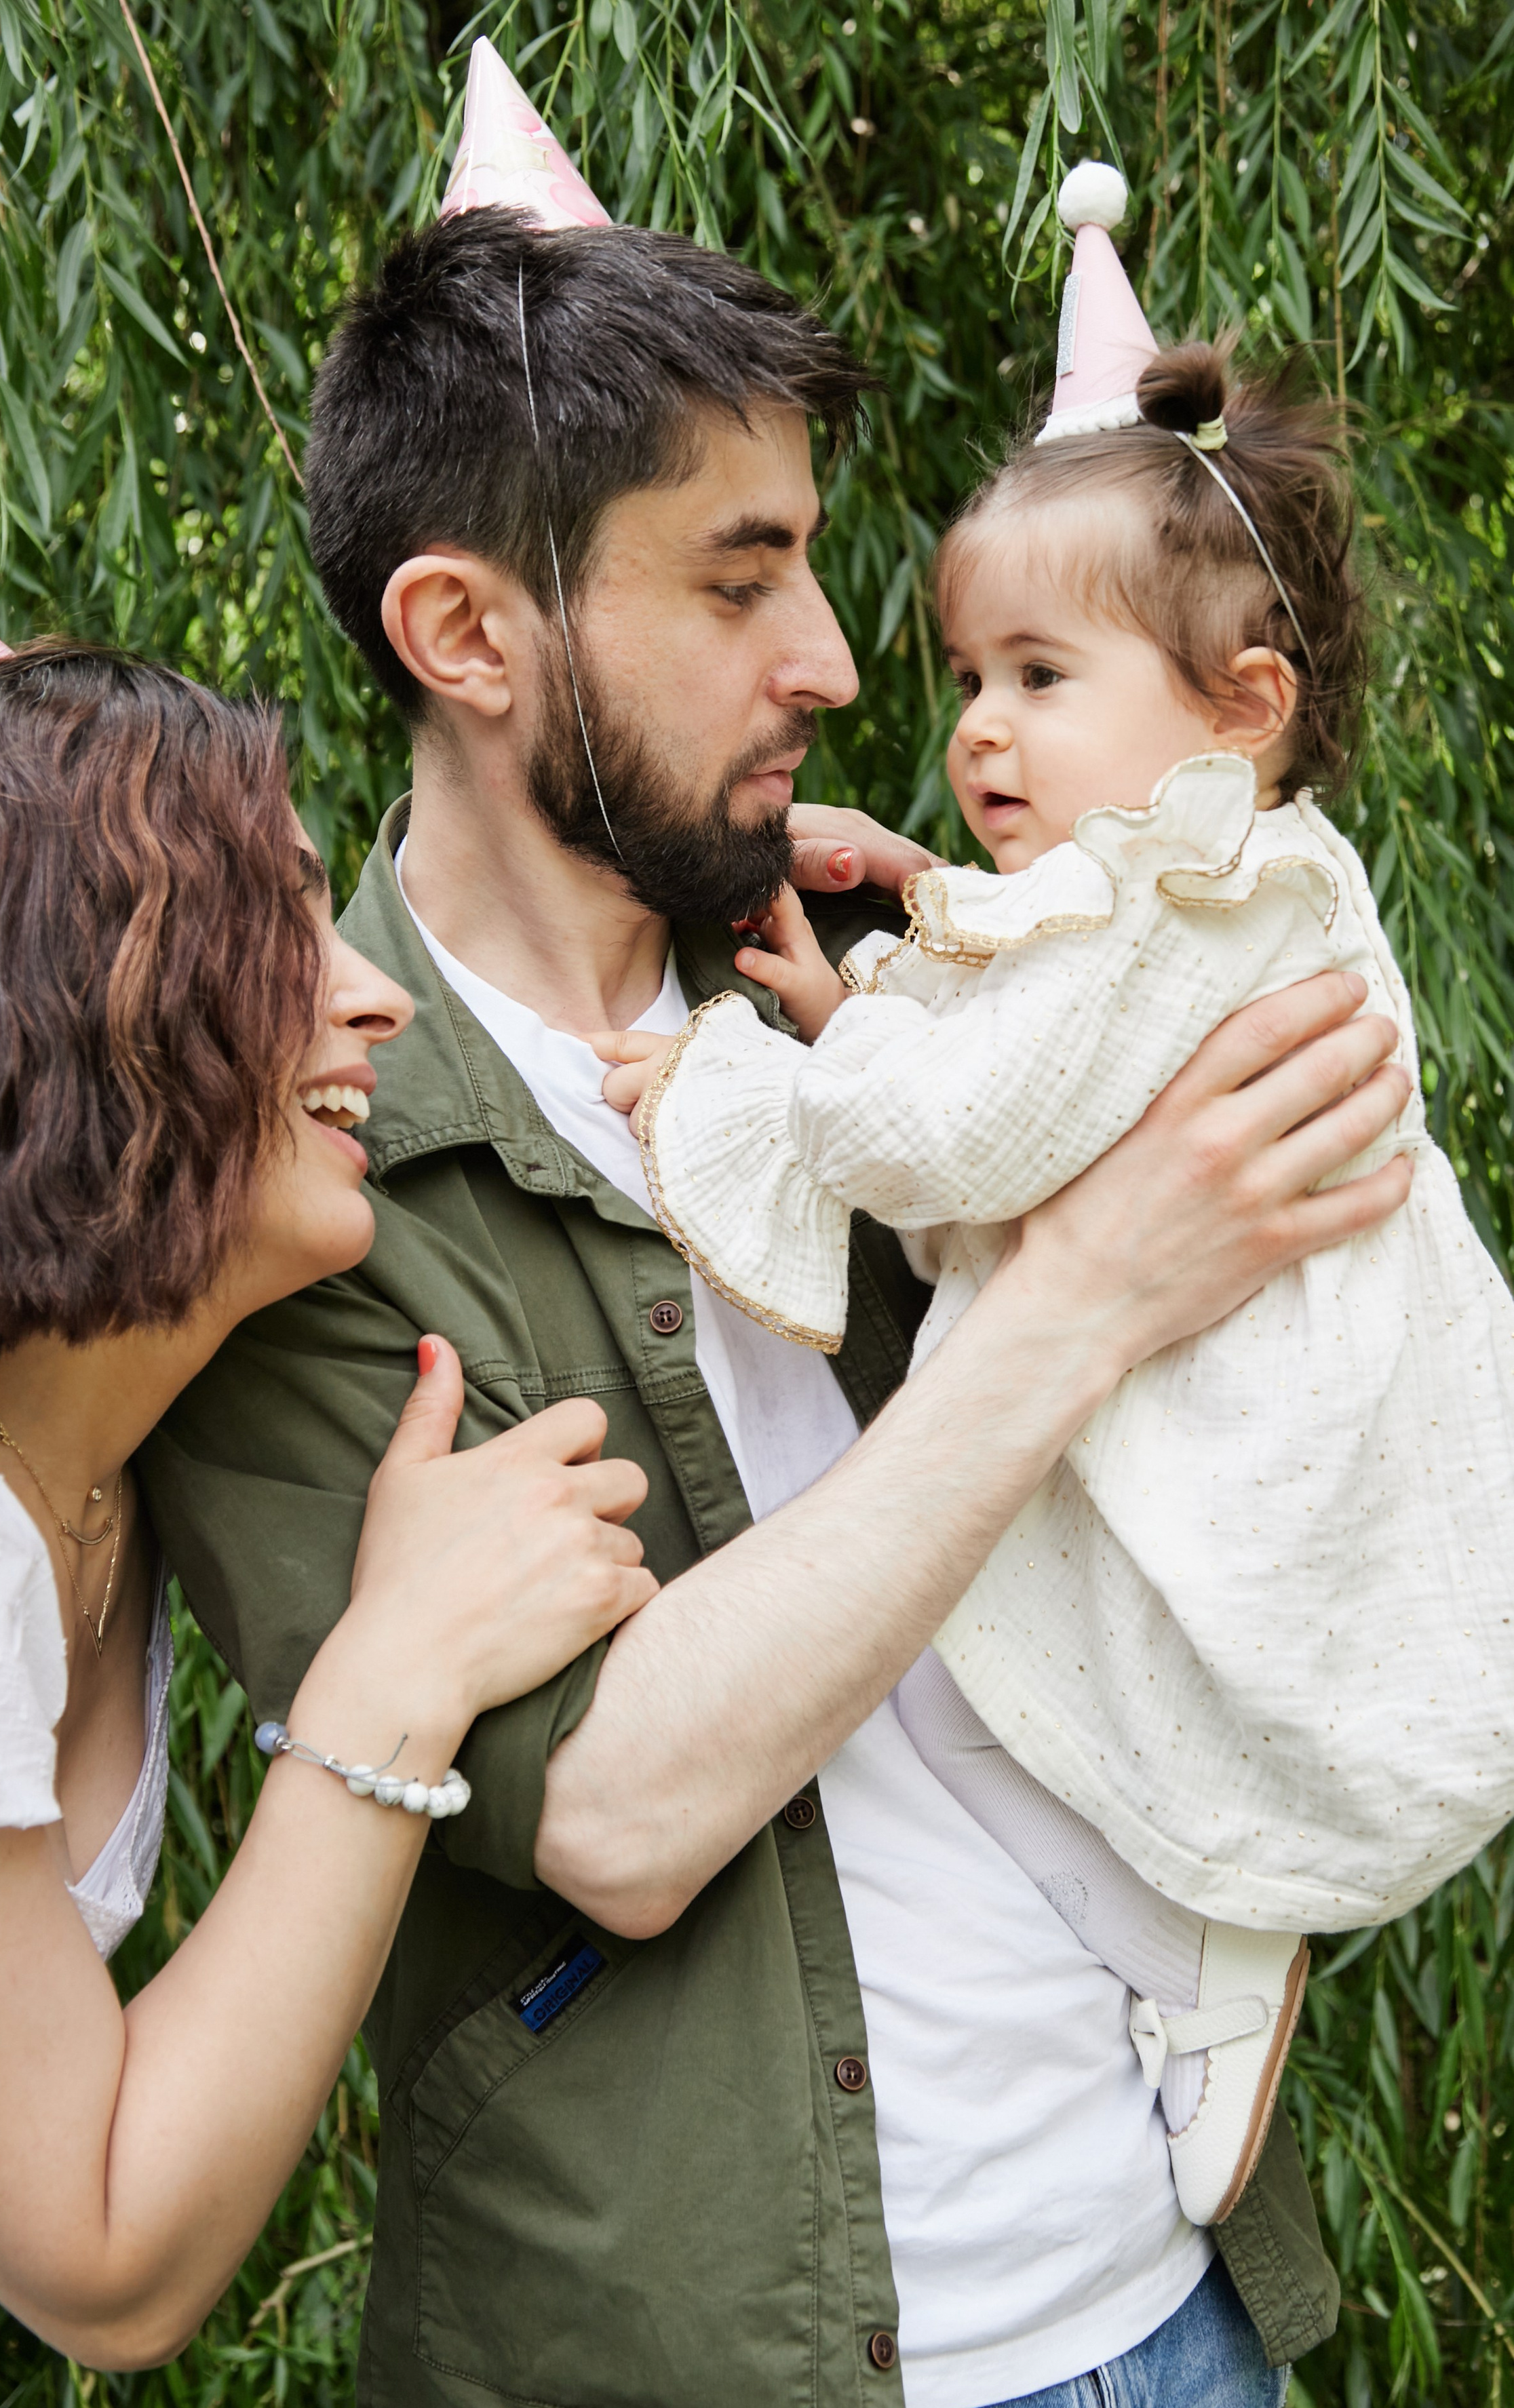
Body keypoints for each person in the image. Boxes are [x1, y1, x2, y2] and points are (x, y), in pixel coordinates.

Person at [145, 67, 1414, 2408]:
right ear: (465, 635)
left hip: (1176, 2317)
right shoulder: (300, 1179)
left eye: (816, 564)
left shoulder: (868, 959)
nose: (837, 659)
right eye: (738, 584)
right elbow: (610, 1807)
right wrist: (1084, 1297)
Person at [617, 193, 1514, 2231]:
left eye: (1040, 672)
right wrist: (902, 942)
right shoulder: (1226, 870)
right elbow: (1054, 1034)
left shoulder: (1205, 885)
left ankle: (1205, 1950)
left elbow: (971, 1137)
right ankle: (1183, 1947)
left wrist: (764, 1071)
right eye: (969, 673)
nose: (981, 727)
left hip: (1254, 1414)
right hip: (1209, 1333)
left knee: (1095, 1688)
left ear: (1242, 710)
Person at [0, 572, 661, 2408]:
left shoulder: (100, 1457)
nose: (376, 990)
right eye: (272, 928)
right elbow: (108, 2249)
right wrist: (396, 1676)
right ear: (62, 1007)